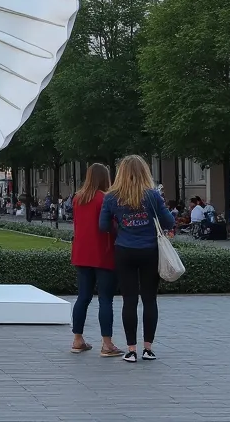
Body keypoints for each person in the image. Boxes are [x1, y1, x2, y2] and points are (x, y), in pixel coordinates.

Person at [99, 155, 175, 363]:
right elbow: (169, 222)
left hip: (124, 250)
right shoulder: (152, 195)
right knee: (150, 299)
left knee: (129, 300)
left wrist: (122, 226)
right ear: (144, 172)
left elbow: (103, 226)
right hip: (150, 250)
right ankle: (148, 348)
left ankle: (131, 349)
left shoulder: (111, 197)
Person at [69, 163, 121, 357]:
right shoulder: (106, 199)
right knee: (106, 299)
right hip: (103, 252)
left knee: (83, 297)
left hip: (81, 253)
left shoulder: (77, 198)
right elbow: (111, 226)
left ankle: (77, 339)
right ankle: (107, 344)